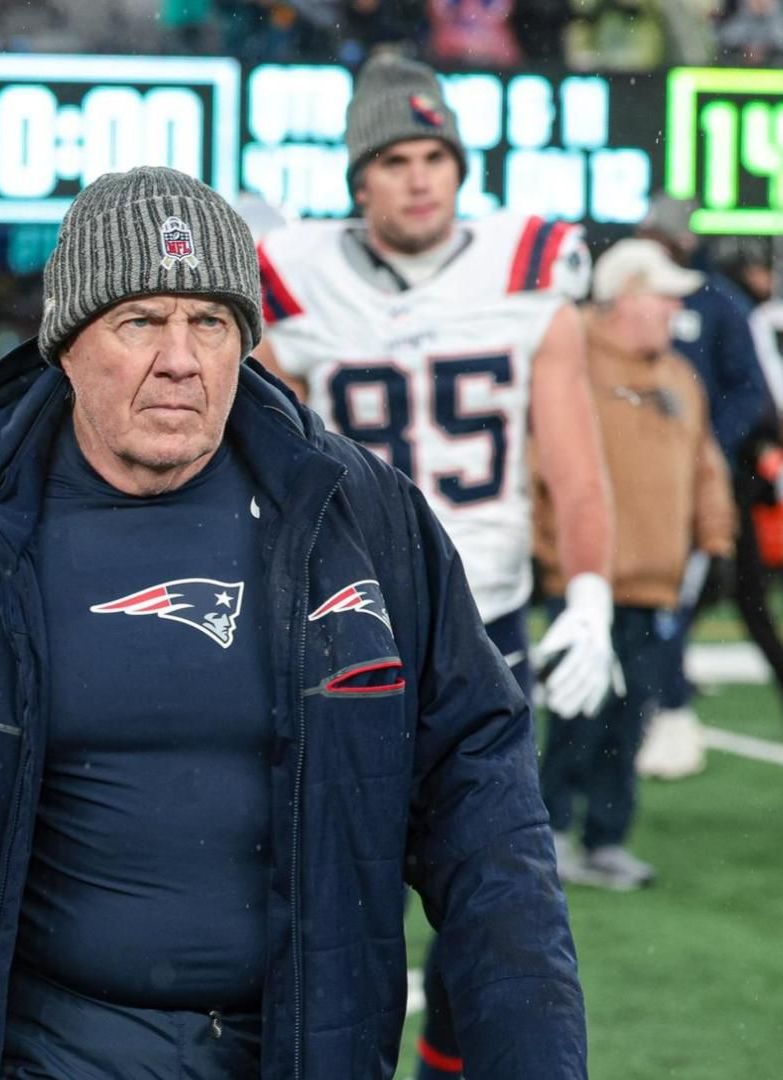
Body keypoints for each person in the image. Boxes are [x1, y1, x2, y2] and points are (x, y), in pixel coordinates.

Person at [0, 166, 587, 1079]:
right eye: (141, 320)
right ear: (66, 343)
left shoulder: (363, 522)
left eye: (212, 323)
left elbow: (489, 828)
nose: (181, 358)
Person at [252, 52, 611, 1080]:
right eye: (395, 159)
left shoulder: (529, 269)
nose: (418, 177)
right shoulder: (293, 274)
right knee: (327, 900)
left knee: (496, 905)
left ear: (461, 170)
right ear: (358, 178)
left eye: (435, 156)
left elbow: (575, 464)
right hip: (338, 628)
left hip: (483, 632)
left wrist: (587, 595)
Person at [534, 240, 735, 890]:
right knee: (575, 713)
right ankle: (552, 830)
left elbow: (706, 464)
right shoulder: (572, 362)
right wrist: (547, 550)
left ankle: (608, 837)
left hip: (656, 577)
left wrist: (718, 537)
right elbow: (539, 460)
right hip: (586, 576)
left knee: (631, 715)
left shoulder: (678, 375)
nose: (675, 308)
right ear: (623, 296)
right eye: (662, 295)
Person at [630, 198, 775, 778]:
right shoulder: (607, 308)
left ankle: (669, 713)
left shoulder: (717, 305)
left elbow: (749, 390)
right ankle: (644, 712)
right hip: (624, 481)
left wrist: (703, 440)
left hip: (693, 482)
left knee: (673, 600)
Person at [709, 238, 783, 738]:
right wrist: (751, 443)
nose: (763, 278)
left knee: (734, 588)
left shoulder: (721, 307)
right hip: (720, 471)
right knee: (718, 587)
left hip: (720, 466)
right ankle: (656, 696)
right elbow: (759, 395)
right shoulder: (736, 312)